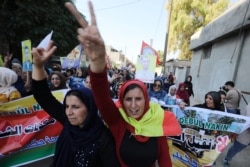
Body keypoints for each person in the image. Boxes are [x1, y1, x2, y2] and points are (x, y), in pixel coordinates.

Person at [64, 1, 182, 166]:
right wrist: (98, 62)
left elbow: (164, 161)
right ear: (121, 100)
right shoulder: (118, 122)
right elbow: (102, 96)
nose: (133, 105)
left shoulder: (157, 121)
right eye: (128, 99)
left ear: (146, 100)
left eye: (138, 99)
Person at [31, 41, 120, 167]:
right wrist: (38, 66)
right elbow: (42, 96)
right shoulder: (68, 121)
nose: (69, 112)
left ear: (90, 108)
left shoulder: (103, 137)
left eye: (76, 107)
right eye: (67, 106)